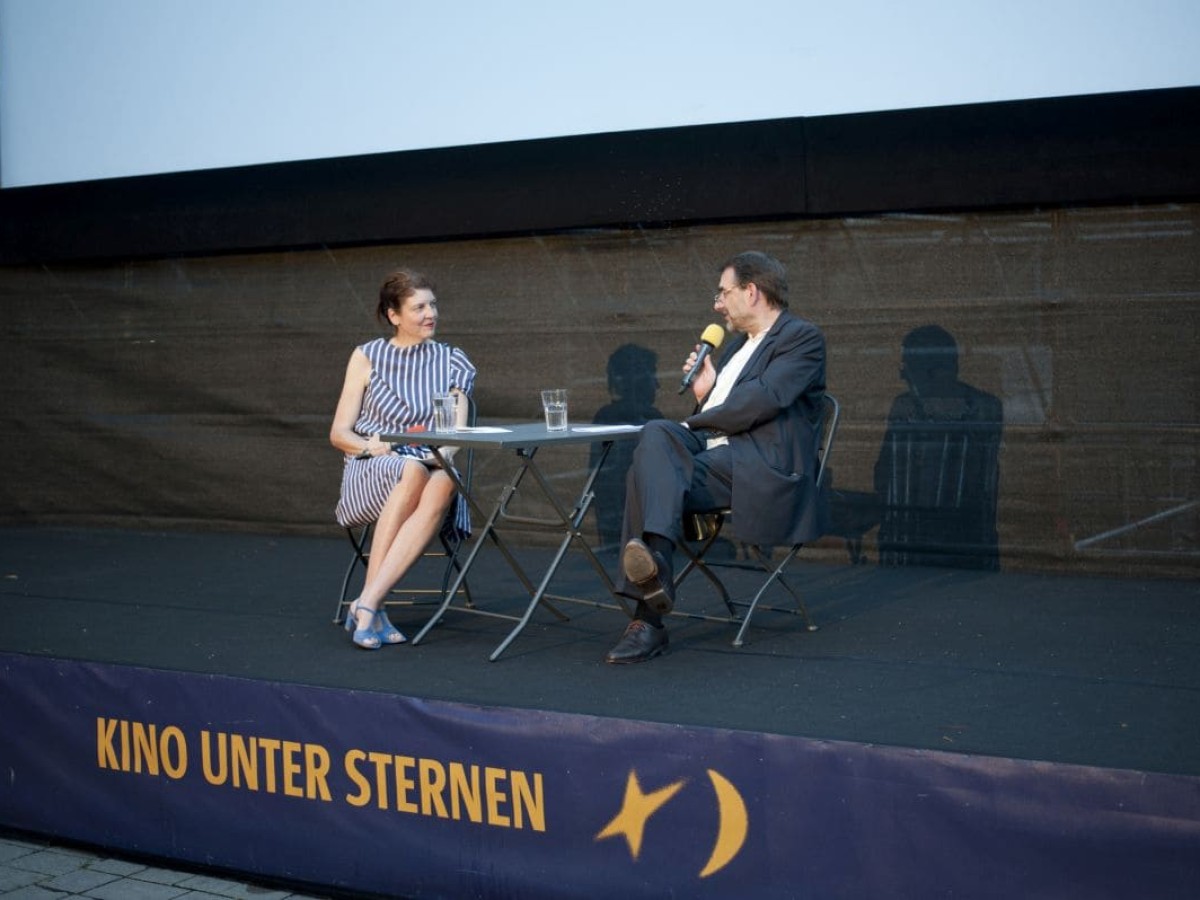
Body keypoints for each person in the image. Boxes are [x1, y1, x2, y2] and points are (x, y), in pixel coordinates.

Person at [606, 251, 827, 663]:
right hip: (716, 454)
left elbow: (762, 400)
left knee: (645, 474)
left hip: (761, 464)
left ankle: (648, 613)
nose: (717, 304)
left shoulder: (801, 338)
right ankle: (656, 570)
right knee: (656, 432)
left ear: (751, 291)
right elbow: (723, 414)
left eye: (723, 293)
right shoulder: (738, 347)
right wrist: (706, 395)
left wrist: (697, 418)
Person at [330, 269, 476, 649]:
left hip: (428, 461)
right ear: (394, 315)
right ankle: (372, 606)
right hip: (372, 465)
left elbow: (456, 434)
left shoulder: (452, 360)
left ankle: (368, 603)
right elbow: (339, 433)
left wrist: (441, 456)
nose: (431, 314)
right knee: (410, 470)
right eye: (419, 308)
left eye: (433, 305)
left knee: (444, 480)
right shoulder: (367, 357)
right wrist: (369, 447)